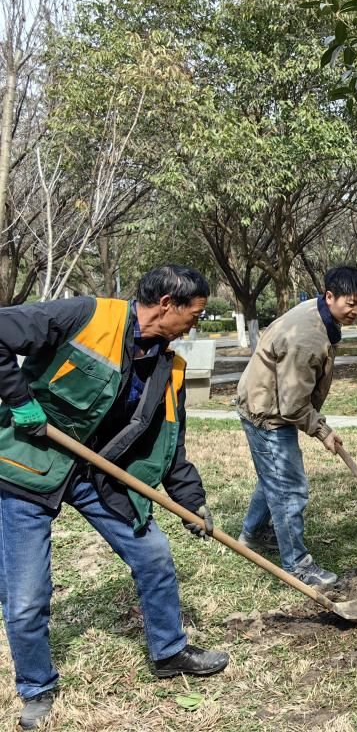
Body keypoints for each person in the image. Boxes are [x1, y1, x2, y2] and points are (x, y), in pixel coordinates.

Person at [0, 265, 227, 730]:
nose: (194, 327)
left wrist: (191, 502)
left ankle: (169, 651)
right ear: (167, 304)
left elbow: (171, 444)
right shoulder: (87, 316)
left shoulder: (169, 367)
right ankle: (37, 688)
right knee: (25, 597)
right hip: (27, 467)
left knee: (154, 554)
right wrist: (19, 400)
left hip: (95, 473)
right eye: (194, 315)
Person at [236, 266, 357, 589]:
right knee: (289, 487)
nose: (356, 311)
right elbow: (293, 405)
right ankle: (297, 565)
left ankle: (253, 534)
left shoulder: (318, 313)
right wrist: (322, 431)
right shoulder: (307, 338)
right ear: (330, 296)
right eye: (351, 303)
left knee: (274, 477)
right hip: (268, 413)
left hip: (263, 401)